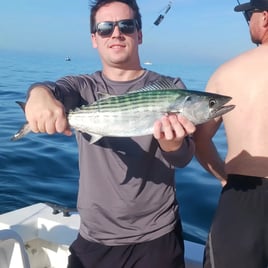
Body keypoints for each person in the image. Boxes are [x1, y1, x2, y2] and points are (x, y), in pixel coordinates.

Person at [24, 1, 196, 267]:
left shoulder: (171, 88)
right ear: (94, 38)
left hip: (157, 235)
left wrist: (172, 145)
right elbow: (51, 89)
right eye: (105, 28)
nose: (116, 33)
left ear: (139, 34)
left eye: (126, 25)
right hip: (95, 237)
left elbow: (183, 158)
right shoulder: (82, 87)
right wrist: (38, 95)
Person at [193, 0, 268, 267]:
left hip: (243, 198)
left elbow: (199, 140)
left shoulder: (226, 73)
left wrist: (225, 179)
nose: (248, 21)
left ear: (265, 18)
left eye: (250, 14)